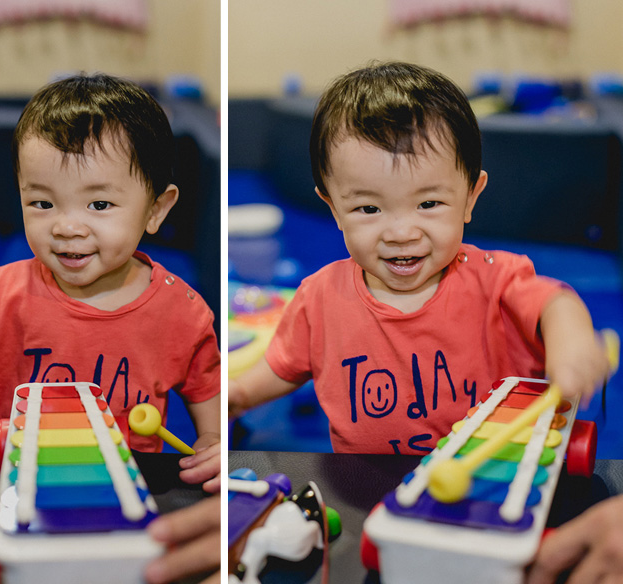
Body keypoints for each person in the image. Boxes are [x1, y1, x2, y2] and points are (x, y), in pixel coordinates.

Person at [228, 61, 608, 454]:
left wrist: (572, 342)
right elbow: (283, 365)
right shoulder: (320, 297)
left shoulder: (495, 281)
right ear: (333, 208)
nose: (401, 233)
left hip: (485, 482)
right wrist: (239, 394)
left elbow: (554, 303)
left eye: (428, 203)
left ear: (471, 197)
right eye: (369, 209)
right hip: (366, 492)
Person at [0, 73, 222, 486]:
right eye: (42, 202)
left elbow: (211, 406)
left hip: (124, 493)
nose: (66, 227)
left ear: (156, 209)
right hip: (13, 486)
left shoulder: (182, 312)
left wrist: (213, 446)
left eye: (99, 204)